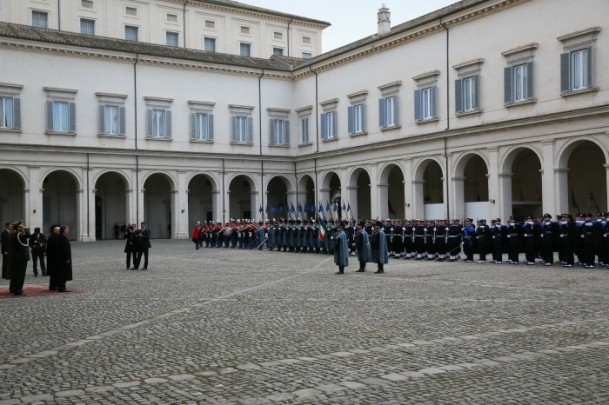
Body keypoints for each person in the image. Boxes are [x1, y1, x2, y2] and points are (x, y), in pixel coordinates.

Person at [7, 220, 30, 296]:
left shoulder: (13, 234)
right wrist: (24, 228)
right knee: (20, 275)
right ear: (19, 227)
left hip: (15, 257)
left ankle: (13, 288)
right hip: (21, 258)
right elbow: (28, 235)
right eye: (22, 225)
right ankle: (18, 290)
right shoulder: (19, 235)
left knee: (15, 274)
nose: (24, 226)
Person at [47, 225, 72, 292]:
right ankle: (61, 287)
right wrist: (67, 258)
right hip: (61, 259)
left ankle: (57, 286)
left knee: (58, 274)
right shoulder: (62, 238)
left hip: (58, 259)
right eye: (67, 229)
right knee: (62, 274)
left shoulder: (59, 237)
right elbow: (64, 249)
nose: (68, 230)